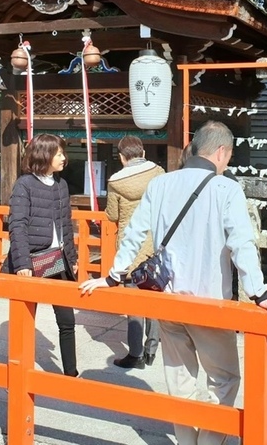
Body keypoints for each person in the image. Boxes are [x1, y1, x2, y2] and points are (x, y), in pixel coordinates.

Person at [80, 121, 267, 444]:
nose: (227, 162)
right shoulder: (226, 189)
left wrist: (112, 276)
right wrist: (259, 294)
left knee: (179, 380)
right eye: (228, 156)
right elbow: (242, 244)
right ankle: (208, 441)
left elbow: (134, 232)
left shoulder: (161, 184)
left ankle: (187, 441)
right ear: (221, 152)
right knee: (223, 378)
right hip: (209, 303)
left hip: (169, 300)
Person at [2, 134, 79, 377]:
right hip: (33, 261)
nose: (64, 158)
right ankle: (19, 372)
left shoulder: (61, 184)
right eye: (59, 154)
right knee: (25, 319)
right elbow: (17, 226)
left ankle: (71, 374)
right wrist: (22, 264)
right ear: (45, 155)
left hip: (58, 260)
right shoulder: (24, 184)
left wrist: (72, 258)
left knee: (67, 320)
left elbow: (66, 224)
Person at [104, 135, 165, 369]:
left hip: (131, 245)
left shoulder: (116, 182)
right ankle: (152, 349)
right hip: (155, 242)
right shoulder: (159, 173)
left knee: (133, 301)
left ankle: (135, 354)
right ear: (143, 153)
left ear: (122, 157)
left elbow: (112, 215)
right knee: (154, 296)